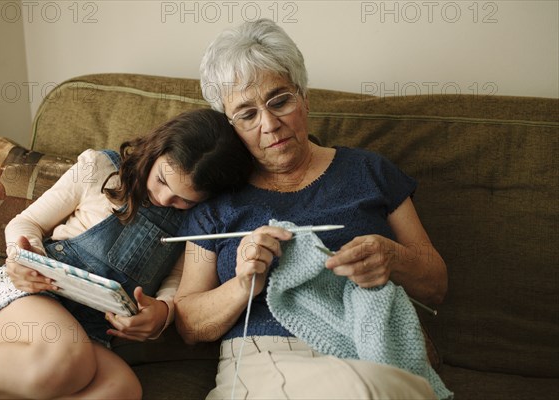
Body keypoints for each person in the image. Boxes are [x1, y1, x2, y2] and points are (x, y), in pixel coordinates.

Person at [174, 19, 451, 399]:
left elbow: (435, 284)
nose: (270, 125)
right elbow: (189, 323)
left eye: (280, 101)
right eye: (248, 115)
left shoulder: (369, 171)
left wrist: (393, 258)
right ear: (229, 126)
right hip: (264, 359)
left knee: (371, 387)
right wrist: (243, 284)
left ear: (304, 97)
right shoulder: (216, 199)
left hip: (371, 350)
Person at [0, 108, 253, 399]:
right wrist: (26, 258)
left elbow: (175, 281)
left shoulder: (197, 222)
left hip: (90, 329)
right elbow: (27, 223)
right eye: (162, 180)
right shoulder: (100, 169)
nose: (165, 198)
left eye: (183, 199)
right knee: (67, 357)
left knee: (122, 389)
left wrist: (161, 312)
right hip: (27, 299)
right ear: (156, 149)